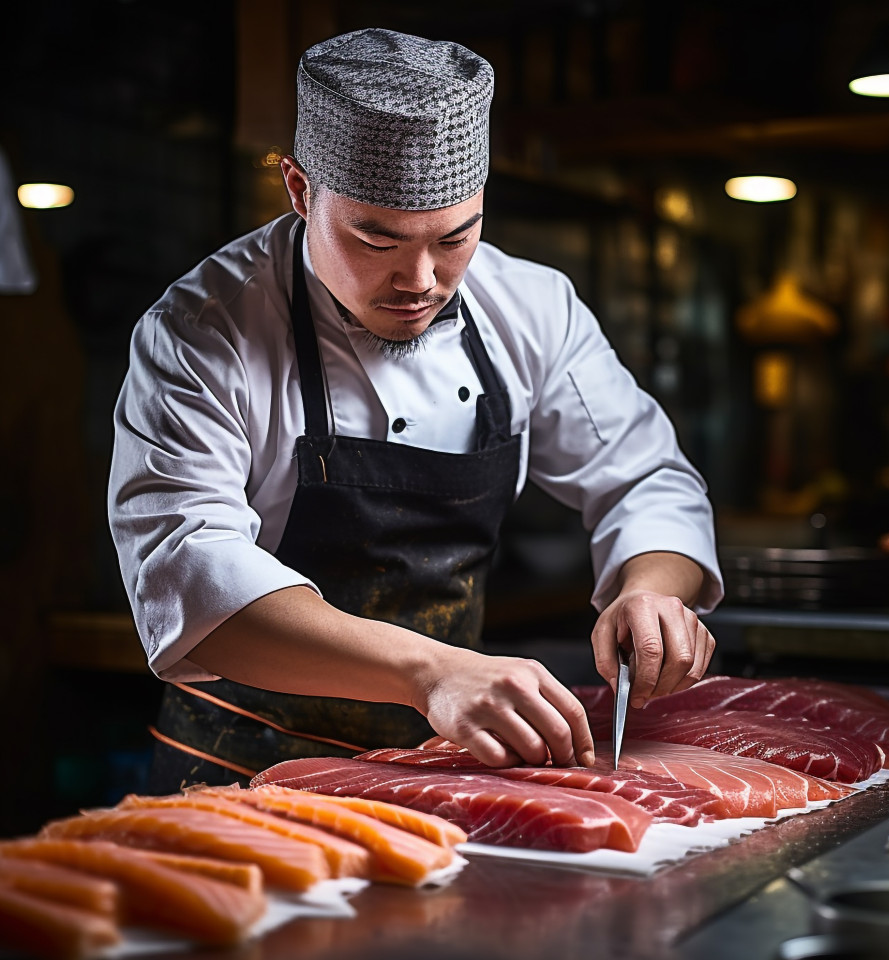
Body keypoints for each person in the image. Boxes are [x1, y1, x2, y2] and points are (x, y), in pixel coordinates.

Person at [107, 27, 724, 793]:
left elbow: (645, 479)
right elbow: (190, 573)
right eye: (377, 239)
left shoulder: (532, 308)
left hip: (444, 771)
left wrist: (651, 590)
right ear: (300, 192)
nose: (422, 281)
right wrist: (432, 673)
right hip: (241, 774)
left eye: (455, 237)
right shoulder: (203, 330)